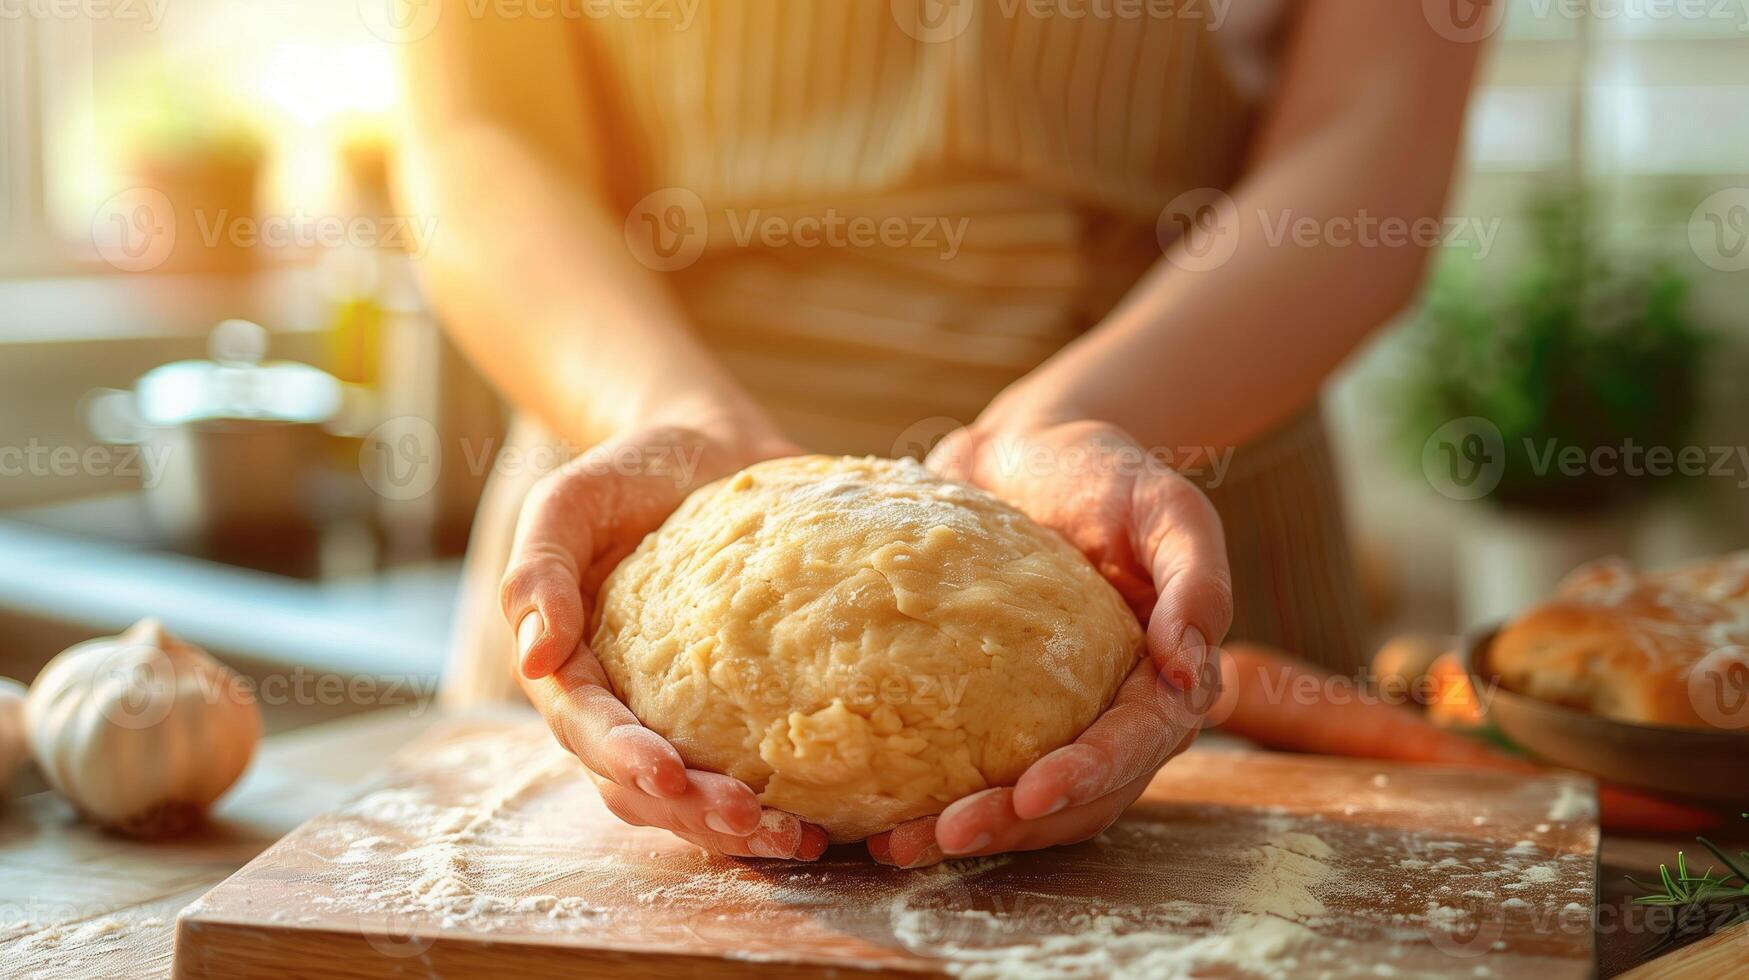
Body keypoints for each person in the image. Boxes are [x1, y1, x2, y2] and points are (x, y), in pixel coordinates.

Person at [396, 0, 1487, 867]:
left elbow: (1372, 132)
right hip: (643, 475)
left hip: (1147, 501)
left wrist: (1082, 423)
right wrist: (671, 416)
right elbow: (477, 134)